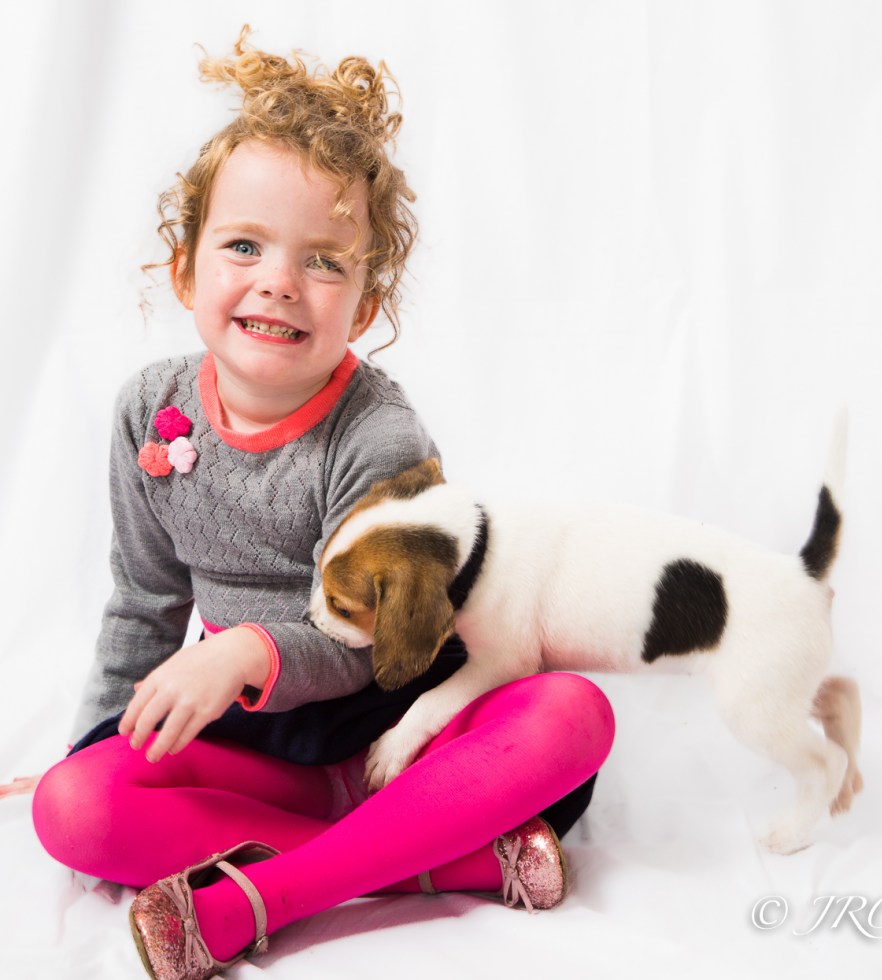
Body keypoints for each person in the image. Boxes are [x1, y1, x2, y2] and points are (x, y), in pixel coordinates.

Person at [29, 28, 615, 980]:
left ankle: (263, 897)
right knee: (72, 808)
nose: (279, 281)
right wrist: (99, 748)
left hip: (405, 721)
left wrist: (246, 651)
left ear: (365, 306)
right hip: (266, 752)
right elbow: (143, 602)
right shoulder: (149, 409)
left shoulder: (379, 436)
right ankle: (435, 858)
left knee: (572, 714)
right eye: (244, 245)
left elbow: (375, 643)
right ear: (185, 269)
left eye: (325, 262)